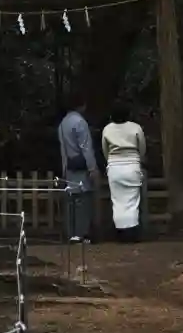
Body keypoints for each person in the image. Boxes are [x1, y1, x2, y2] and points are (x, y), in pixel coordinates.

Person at [101, 100, 146, 242]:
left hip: (114, 166)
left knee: (117, 201)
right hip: (132, 165)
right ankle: (132, 233)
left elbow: (105, 149)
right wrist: (139, 160)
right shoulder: (135, 128)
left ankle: (120, 233)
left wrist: (110, 161)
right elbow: (142, 147)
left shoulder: (107, 129)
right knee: (133, 201)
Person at [57, 94, 98, 243]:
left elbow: (63, 149)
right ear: (81, 105)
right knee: (83, 199)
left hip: (69, 165)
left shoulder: (63, 123)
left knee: (71, 199)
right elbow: (86, 147)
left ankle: (72, 233)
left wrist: (64, 168)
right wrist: (92, 167)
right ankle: (82, 233)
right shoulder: (80, 122)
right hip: (81, 165)